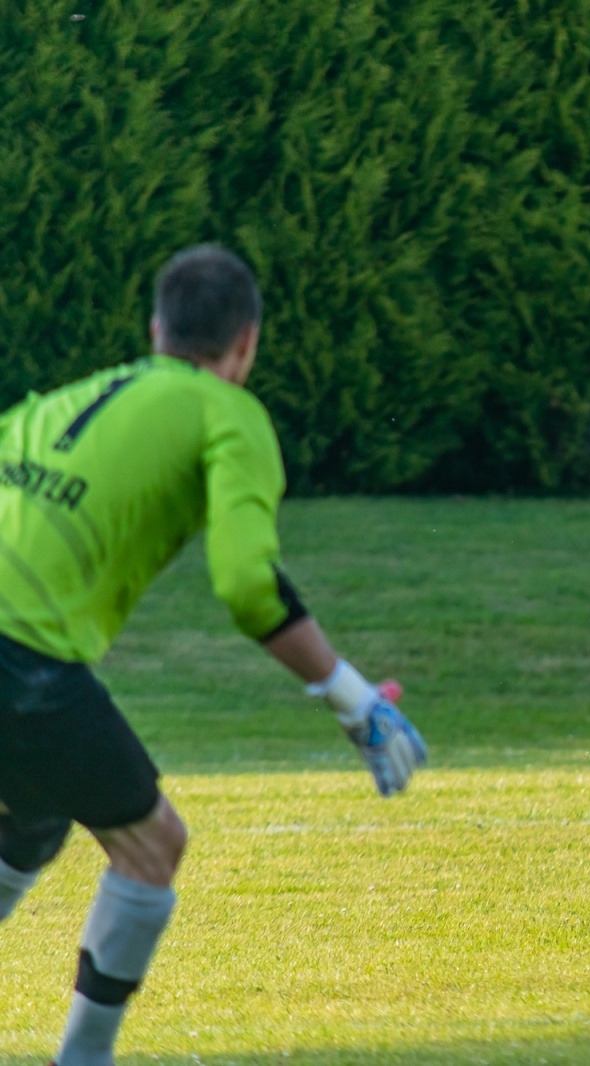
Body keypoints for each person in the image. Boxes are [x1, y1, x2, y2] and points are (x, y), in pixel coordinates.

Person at [0, 245, 427, 1066]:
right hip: (23, 662)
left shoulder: (62, 399)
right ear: (247, 344)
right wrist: (352, 699)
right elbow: (244, 583)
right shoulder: (230, 415)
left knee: (32, 815)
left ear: (156, 328)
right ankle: (83, 1058)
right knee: (152, 845)